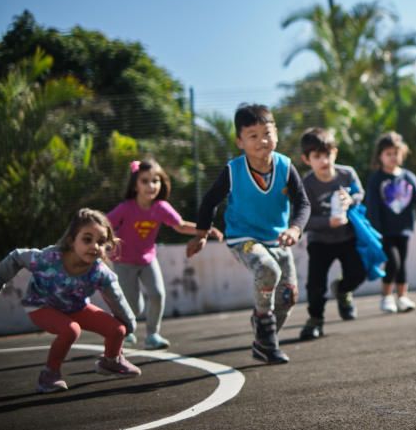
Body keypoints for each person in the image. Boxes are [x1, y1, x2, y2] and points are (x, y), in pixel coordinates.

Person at [186, 103, 310, 364]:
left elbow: (303, 203)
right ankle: (264, 326)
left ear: (276, 134)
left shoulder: (285, 167)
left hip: (277, 239)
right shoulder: (234, 170)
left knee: (287, 297)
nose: (262, 140)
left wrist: (295, 228)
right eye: (253, 136)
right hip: (243, 238)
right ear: (239, 141)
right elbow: (209, 202)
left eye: (267, 133)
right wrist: (200, 235)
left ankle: (263, 342)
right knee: (268, 271)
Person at [0, 208, 141, 393]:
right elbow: (16, 257)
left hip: (76, 307)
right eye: (87, 239)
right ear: (71, 240)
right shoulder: (49, 258)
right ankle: (49, 375)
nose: (95, 246)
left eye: (101, 242)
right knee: (71, 330)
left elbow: (117, 300)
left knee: (117, 330)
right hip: (40, 305)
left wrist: (129, 325)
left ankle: (111, 361)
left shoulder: (100, 273)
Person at [108, 158, 222, 350]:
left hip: (147, 259)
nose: (151, 186)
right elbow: (105, 224)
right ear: (135, 185)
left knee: (158, 294)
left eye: (156, 181)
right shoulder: (126, 208)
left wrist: (205, 230)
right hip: (123, 261)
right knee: (134, 307)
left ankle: (152, 335)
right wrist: (102, 245)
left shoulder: (161, 207)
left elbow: (181, 225)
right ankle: (127, 330)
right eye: (145, 181)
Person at [298, 127, 368, 340]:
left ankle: (342, 289)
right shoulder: (306, 184)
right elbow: (304, 219)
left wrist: (351, 199)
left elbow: (360, 193)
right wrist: (328, 221)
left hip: (348, 237)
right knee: (315, 285)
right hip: (320, 242)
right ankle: (315, 320)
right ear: (306, 159)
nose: (324, 161)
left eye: (327, 154)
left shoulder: (347, 174)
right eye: (317, 156)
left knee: (359, 273)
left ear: (334, 152)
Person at [366, 131, 416, 313]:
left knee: (402, 264)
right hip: (383, 232)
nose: (393, 157)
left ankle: (402, 297)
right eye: (388, 154)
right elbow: (372, 207)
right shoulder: (376, 180)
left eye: (396, 153)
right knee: (392, 262)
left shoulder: (408, 177)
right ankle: (386, 297)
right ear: (380, 156)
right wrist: (374, 231)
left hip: (404, 229)